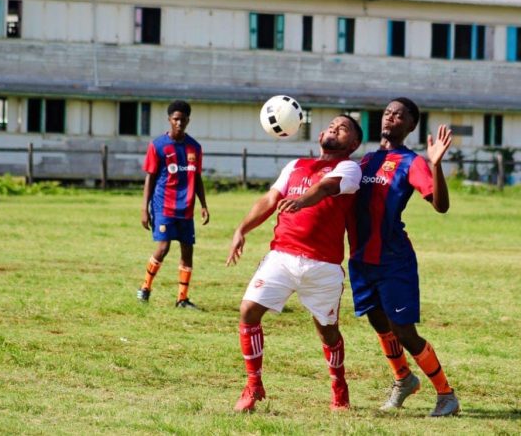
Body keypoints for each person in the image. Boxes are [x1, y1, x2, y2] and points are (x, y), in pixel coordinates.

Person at [225, 115, 363, 413]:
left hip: (323, 266)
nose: (335, 128)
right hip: (282, 256)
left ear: (353, 143)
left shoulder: (350, 168)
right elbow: (270, 199)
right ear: (320, 135)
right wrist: (241, 229)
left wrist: (302, 201)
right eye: (331, 125)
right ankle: (253, 385)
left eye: (344, 128)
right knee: (248, 310)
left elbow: (327, 188)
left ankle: (339, 385)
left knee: (328, 331)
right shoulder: (296, 165)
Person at [346, 97, 460, 416]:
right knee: (378, 321)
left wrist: (436, 165)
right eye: (387, 113)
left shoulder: (412, 162)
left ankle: (446, 395)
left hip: (393, 260)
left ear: (411, 125)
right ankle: (403, 379)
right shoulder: (365, 160)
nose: (391, 118)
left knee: (403, 331)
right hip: (360, 259)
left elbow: (441, 204)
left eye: (399, 115)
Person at [137, 100, 209, 309]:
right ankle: (145, 288)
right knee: (163, 247)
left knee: (188, 251)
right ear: (169, 119)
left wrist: (203, 204)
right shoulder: (158, 145)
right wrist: (145, 208)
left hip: (185, 209)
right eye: (175, 119)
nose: (179, 123)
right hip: (164, 206)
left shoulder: (194, 147)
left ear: (188, 120)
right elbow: (150, 177)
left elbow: (197, 178)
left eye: (183, 119)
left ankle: (182, 299)